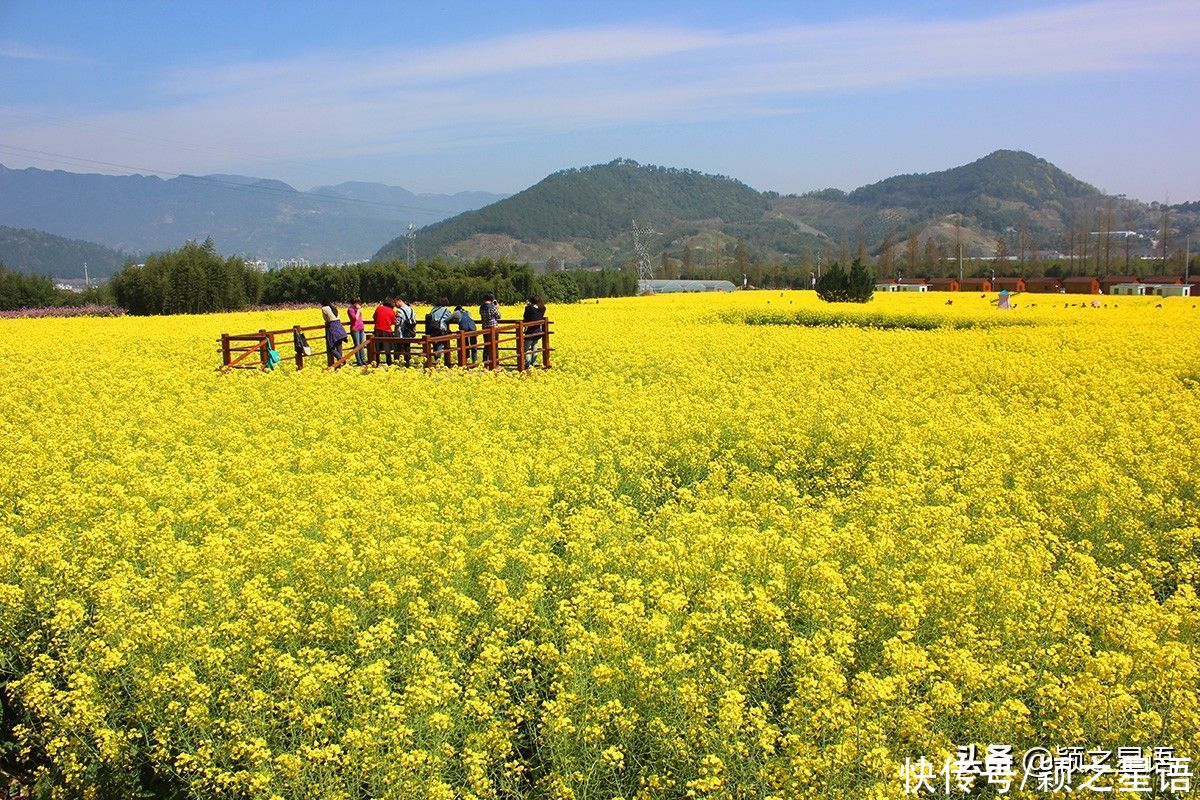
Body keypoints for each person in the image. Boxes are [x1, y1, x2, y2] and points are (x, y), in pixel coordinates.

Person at [425, 296, 453, 366]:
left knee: (435, 344)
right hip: (440, 329)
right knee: (439, 344)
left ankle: (435, 360)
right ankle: (438, 361)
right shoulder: (446, 310)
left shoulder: (433, 309)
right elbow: (450, 318)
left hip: (432, 329)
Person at [321, 299, 348, 367]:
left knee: (331, 348)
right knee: (339, 346)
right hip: (339, 327)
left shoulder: (324, 308)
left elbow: (326, 319)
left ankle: (341, 359)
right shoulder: (334, 308)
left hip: (332, 327)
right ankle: (340, 364)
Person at [522, 295, 546, 368]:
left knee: (525, 349)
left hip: (530, 330)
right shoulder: (542, 308)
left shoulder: (529, 308)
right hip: (538, 330)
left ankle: (528, 364)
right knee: (534, 346)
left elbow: (525, 318)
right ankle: (533, 363)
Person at [479, 292, 501, 369]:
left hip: (485, 328)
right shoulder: (492, 307)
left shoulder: (481, 307)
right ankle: (496, 364)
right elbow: (498, 316)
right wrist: (497, 308)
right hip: (493, 328)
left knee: (486, 346)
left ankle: (486, 364)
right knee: (495, 346)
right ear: (492, 299)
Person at [372, 298, 396, 366]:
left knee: (377, 349)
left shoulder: (378, 308)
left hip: (377, 330)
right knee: (387, 349)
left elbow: (374, 317)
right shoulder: (392, 311)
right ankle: (389, 364)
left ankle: (376, 363)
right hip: (387, 331)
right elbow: (393, 321)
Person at [394, 296, 416, 367]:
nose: (395, 305)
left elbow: (397, 323)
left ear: (399, 301)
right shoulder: (411, 310)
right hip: (409, 333)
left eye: (395, 302)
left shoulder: (399, 311)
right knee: (407, 349)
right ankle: (408, 364)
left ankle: (397, 365)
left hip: (401, 333)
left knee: (398, 351)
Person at [347, 298, 367, 366]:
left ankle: (363, 359)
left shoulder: (357, 309)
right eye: (357, 303)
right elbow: (355, 318)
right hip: (355, 329)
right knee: (357, 345)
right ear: (354, 303)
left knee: (362, 345)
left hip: (361, 328)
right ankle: (359, 361)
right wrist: (358, 310)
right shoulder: (350, 310)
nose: (358, 305)